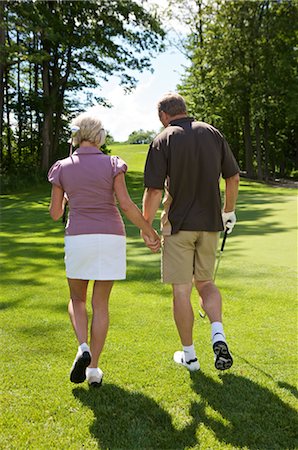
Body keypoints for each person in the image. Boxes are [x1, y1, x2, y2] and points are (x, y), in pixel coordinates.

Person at [48, 111, 160, 387]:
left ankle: (82, 346)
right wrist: (148, 229)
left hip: (79, 237)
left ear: (75, 137)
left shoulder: (62, 167)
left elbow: (54, 213)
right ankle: (94, 370)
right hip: (111, 237)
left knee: (77, 300)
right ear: (99, 137)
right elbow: (125, 204)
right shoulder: (112, 164)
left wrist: (66, 200)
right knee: (101, 304)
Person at [142, 93, 240, 371]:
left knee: (182, 292)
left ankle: (191, 357)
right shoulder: (212, 132)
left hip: (178, 226)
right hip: (210, 225)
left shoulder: (164, 138)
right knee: (206, 284)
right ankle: (217, 335)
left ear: (163, 116)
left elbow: (154, 189)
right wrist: (228, 212)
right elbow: (232, 177)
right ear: (185, 110)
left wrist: (146, 225)